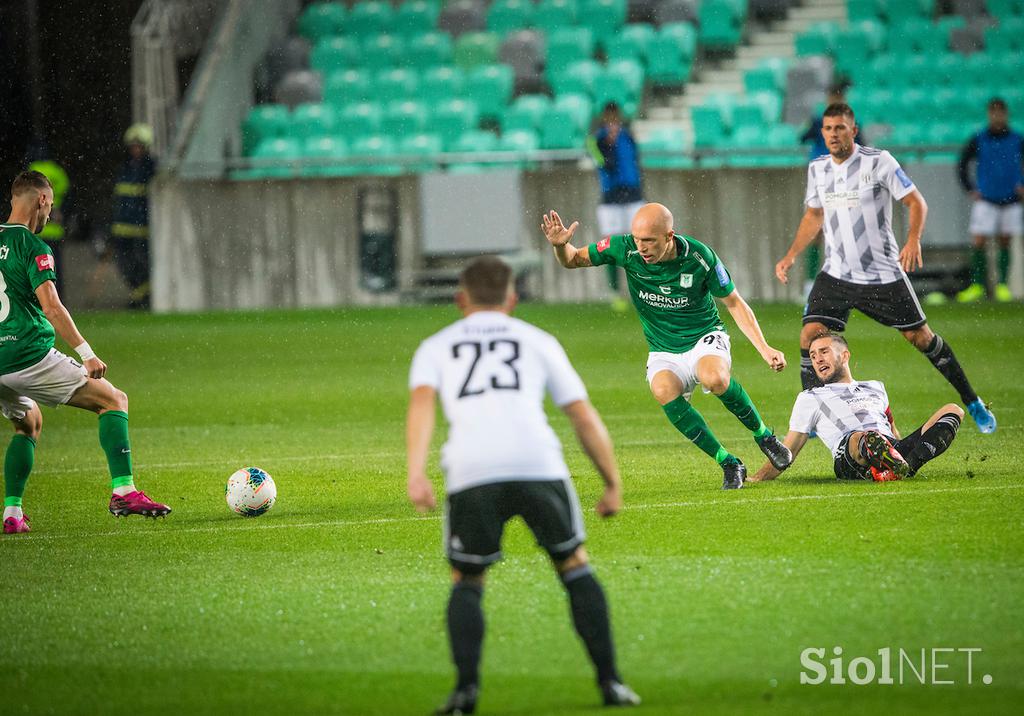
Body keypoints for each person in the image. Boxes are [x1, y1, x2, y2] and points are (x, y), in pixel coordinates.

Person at [406, 256, 640, 713]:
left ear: (460, 300)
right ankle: (611, 683)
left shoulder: (436, 346)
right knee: (574, 566)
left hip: (473, 470)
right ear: (513, 299)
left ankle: (465, 692)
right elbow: (581, 415)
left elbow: (421, 407)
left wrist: (416, 472)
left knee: (467, 578)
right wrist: (611, 482)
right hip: (537, 463)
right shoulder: (538, 340)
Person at [775, 103, 997, 434]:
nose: (833, 134)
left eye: (840, 128)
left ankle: (972, 400)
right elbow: (814, 215)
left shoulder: (878, 161)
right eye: (828, 129)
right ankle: (813, 409)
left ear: (853, 130)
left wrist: (912, 240)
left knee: (920, 337)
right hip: (836, 273)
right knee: (810, 335)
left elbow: (915, 201)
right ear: (822, 132)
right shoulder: (818, 168)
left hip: (881, 275)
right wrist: (791, 254)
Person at [542, 203, 792, 490]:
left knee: (716, 377)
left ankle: (764, 437)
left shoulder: (700, 257)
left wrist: (765, 348)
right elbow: (572, 259)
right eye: (637, 239)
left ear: (669, 236)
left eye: (649, 241)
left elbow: (734, 302)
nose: (642, 247)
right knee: (663, 391)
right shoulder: (623, 248)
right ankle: (728, 462)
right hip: (663, 349)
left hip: (704, 336)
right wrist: (561, 246)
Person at [1, 171, 170, 534]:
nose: (50, 216)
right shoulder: (33, 248)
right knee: (113, 400)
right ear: (43, 201)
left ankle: (12, 513)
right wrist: (87, 353)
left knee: (28, 422)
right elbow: (52, 308)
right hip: (26, 355)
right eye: (50, 206)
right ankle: (123, 491)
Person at [749, 332, 963, 483]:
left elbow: (892, 430)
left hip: (888, 445)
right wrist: (758, 477)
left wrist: (902, 446)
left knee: (953, 410)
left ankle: (903, 466)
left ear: (845, 356)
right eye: (813, 356)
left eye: (824, 352)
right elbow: (789, 450)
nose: (817, 359)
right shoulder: (810, 398)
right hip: (850, 455)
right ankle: (899, 467)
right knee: (863, 437)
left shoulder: (875, 387)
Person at [799, 83, 867, 301]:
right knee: (816, 232)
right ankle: (811, 285)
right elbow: (803, 138)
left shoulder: (851, 124)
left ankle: (845, 283)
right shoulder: (820, 121)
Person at [956, 97, 1023, 303]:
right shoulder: (979, 138)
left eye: (1000, 112)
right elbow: (962, 164)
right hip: (986, 198)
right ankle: (978, 284)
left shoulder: (1017, 139)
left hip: (1011, 199)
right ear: (989, 114)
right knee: (978, 240)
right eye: (993, 112)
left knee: (1005, 239)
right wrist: (970, 188)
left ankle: (1002, 285)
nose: (997, 116)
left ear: (1005, 114)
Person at [586, 102, 644, 312]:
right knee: (610, 245)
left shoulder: (628, 136)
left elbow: (636, 163)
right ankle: (614, 292)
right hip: (611, 198)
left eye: (615, 117)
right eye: (609, 117)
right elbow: (604, 163)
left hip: (633, 196)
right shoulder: (597, 140)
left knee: (641, 244)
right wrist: (608, 144)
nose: (613, 121)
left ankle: (644, 290)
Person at [111, 124, 157, 309]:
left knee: (143, 265)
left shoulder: (151, 169)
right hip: (122, 228)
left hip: (141, 229)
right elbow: (119, 200)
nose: (135, 149)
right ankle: (139, 296)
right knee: (124, 265)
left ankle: (142, 299)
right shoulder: (125, 169)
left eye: (139, 145)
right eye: (133, 145)